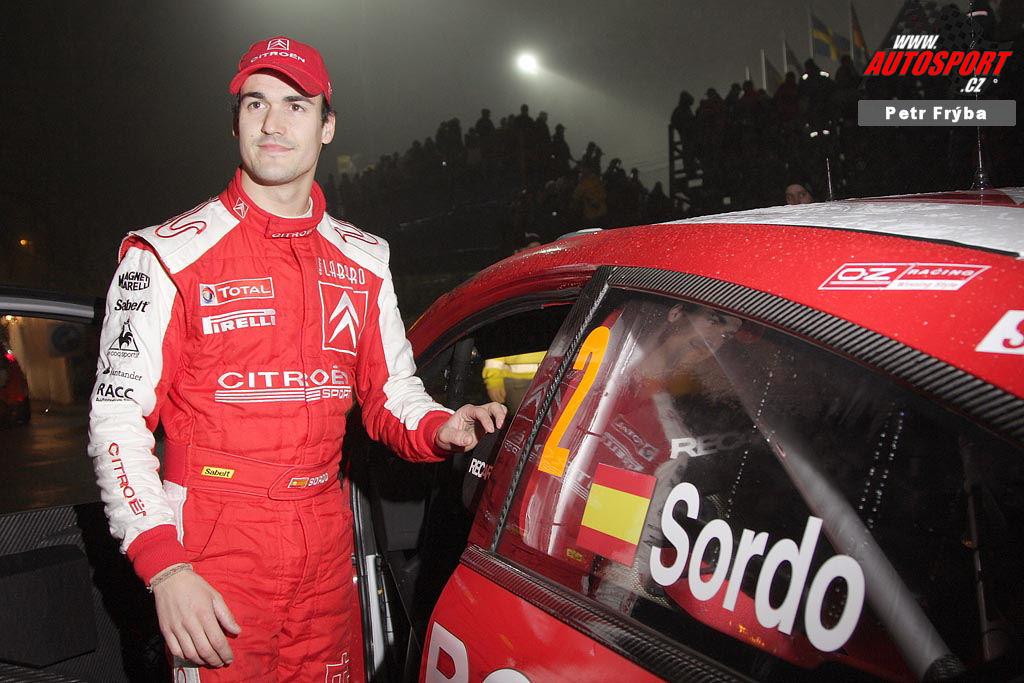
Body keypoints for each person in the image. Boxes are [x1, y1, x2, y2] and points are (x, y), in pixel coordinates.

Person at [86, 35, 505, 682]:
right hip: (214, 544)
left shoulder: (364, 258)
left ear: (327, 126)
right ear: (235, 122)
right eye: (256, 104)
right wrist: (166, 567)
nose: (273, 123)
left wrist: (442, 426)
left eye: (296, 105)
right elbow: (116, 422)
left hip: (325, 541)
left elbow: (392, 393)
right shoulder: (164, 255)